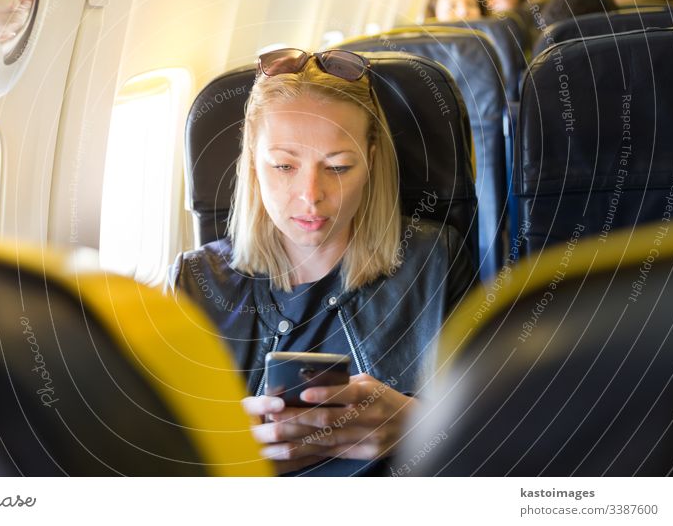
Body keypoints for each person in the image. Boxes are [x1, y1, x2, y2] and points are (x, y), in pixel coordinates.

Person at [168, 48, 474, 476]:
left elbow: (501, 434)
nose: (311, 195)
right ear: (253, 163)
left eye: (338, 167)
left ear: (371, 159)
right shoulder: (194, 282)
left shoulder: (436, 261)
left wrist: (418, 424)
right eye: (284, 166)